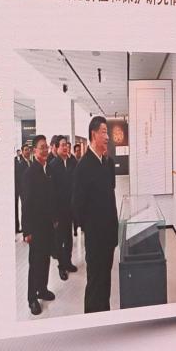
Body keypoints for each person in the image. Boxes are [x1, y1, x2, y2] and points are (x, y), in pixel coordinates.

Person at [72, 116, 118, 314]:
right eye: (104, 132)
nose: (107, 137)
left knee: (105, 279)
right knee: (95, 282)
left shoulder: (106, 163)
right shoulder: (83, 167)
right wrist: (91, 229)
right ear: (93, 134)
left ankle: (104, 314)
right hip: (95, 237)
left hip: (108, 236)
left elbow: (110, 195)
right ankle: (91, 320)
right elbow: (77, 206)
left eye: (107, 133)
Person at [22, 134, 57, 316]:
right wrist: (26, 230)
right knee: (35, 263)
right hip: (35, 227)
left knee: (45, 259)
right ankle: (31, 298)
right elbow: (26, 203)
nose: (45, 150)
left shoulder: (47, 169)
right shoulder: (30, 173)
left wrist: (55, 218)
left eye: (46, 147)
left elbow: (50, 197)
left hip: (47, 225)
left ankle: (42, 289)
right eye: (41, 147)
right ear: (34, 150)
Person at [49, 136, 77, 279]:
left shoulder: (72, 162)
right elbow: (51, 192)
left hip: (70, 209)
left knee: (69, 238)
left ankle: (68, 262)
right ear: (56, 147)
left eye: (67, 145)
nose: (65, 147)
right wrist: (54, 216)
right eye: (62, 145)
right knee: (59, 240)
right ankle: (61, 266)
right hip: (59, 211)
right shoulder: (53, 165)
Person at [14, 144, 30, 233]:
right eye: (26, 150)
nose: (28, 151)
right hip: (23, 190)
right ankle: (24, 229)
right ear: (22, 152)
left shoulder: (30, 162)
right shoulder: (21, 163)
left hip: (29, 190)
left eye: (28, 149)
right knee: (24, 210)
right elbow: (20, 178)